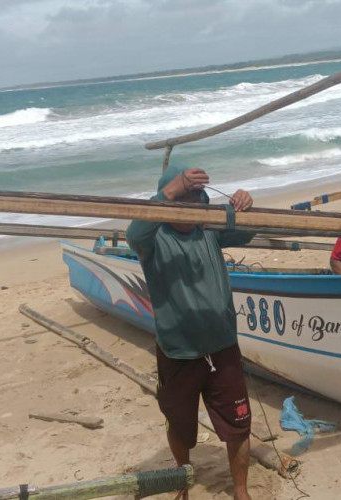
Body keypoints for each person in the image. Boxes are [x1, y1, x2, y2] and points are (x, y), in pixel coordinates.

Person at [126, 165, 254, 500]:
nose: (190, 207)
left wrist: (244, 203)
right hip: (178, 349)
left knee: (238, 424)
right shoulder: (153, 239)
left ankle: (241, 491)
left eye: (195, 199)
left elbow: (247, 228)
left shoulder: (208, 228)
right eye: (181, 199)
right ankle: (182, 486)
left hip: (222, 344)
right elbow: (133, 233)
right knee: (179, 424)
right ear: (165, 202)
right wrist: (171, 190)